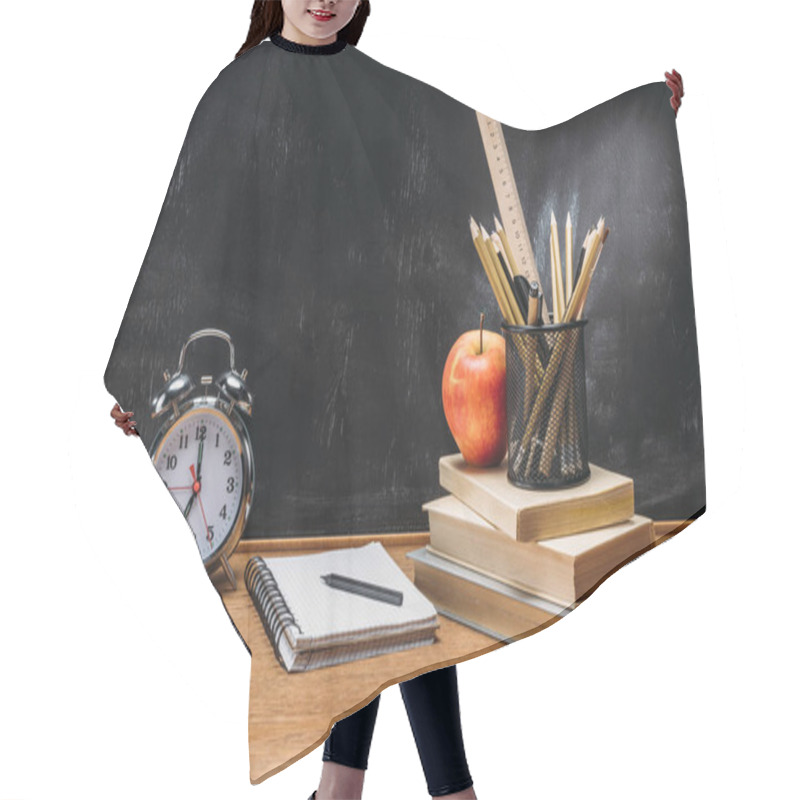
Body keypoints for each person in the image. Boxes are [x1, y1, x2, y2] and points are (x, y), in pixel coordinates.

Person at [109, 3, 685, 798]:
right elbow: (195, 248)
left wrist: (635, 132)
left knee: (402, 598)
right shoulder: (236, 94)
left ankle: (351, 788)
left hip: (382, 389)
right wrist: (152, 378)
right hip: (286, 407)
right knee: (356, 599)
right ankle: (425, 790)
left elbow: (487, 165)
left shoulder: (377, 92)